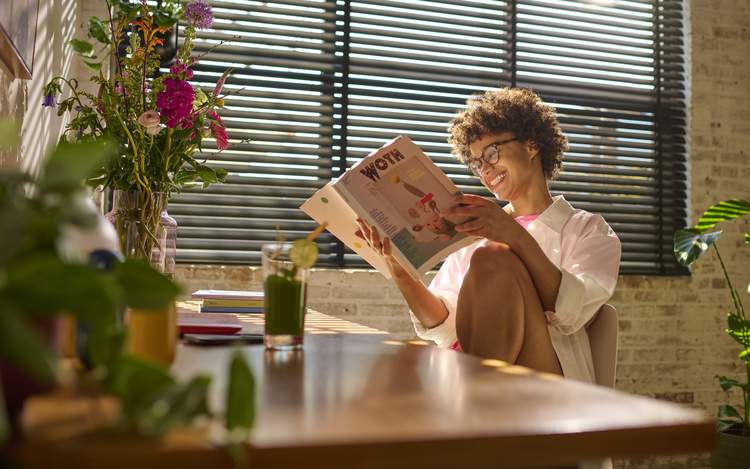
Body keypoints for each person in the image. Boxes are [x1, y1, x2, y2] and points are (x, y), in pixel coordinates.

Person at [355, 88, 621, 383]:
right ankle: (475, 403)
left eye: (492, 153)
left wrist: (513, 235)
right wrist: (402, 274)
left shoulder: (588, 229)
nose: (485, 170)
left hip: (549, 379)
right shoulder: (473, 231)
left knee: (492, 256)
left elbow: (571, 313)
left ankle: (469, 405)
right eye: (477, 163)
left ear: (531, 145)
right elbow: (444, 327)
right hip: (476, 367)